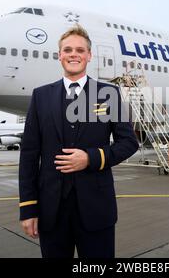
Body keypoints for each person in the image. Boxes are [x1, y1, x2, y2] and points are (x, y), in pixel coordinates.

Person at [18, 24, 138, 258]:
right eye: (68, 50)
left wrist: (91, 158)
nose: (74, 54)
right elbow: (29, 155)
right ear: (59, 55)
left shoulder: (108, 93)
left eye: (80, 50)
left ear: (89, 56)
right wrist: (28, 208)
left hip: (96, 209)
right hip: (51, 211)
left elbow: (128, 142)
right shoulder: (41, 96)